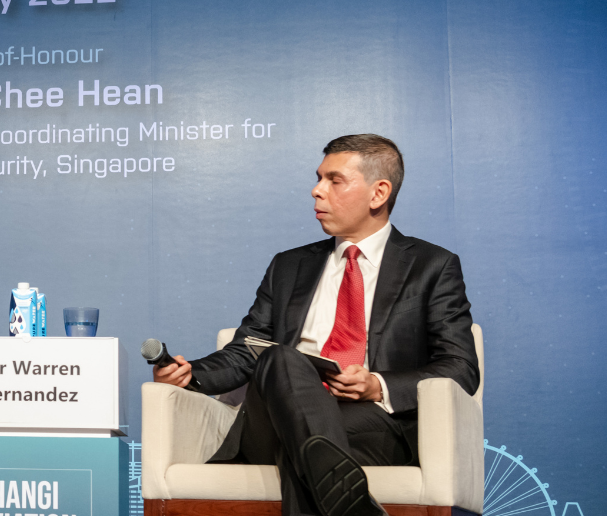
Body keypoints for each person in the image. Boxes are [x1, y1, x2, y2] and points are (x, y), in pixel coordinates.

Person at [153, 134, 479, 516]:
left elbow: (460, 367)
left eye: (334, 180)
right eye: (318, 178)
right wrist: (192, 375)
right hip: (273, 415)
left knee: (301, 447)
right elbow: (248, 349)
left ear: (378, 193)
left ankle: (345, 495)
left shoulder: (431, 266)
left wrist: (377, 385)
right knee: (283, 360)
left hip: (375, 426)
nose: (316, 191)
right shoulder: (289, 266)